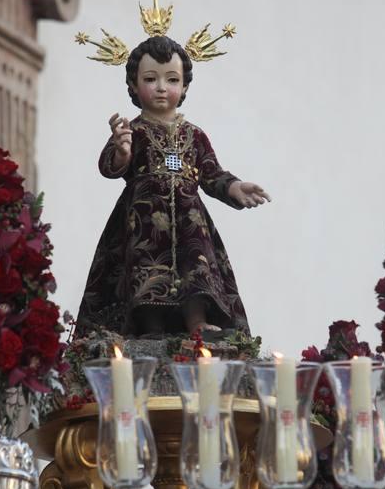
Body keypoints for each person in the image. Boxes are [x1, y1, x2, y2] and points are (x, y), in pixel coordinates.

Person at [75, 35, 271, 337]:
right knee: (146, 266)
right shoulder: (133, 131)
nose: (162, 87)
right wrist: (122, 152)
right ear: (133, 85)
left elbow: (211, 173)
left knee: (196, 265)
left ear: (185, 87)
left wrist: (235, 188)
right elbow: (108, 167)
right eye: (151, 79)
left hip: (189, 217)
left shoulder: (195, 135)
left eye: (172, 79)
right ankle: (149, 326)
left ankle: (197, 323)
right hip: (142, 215)